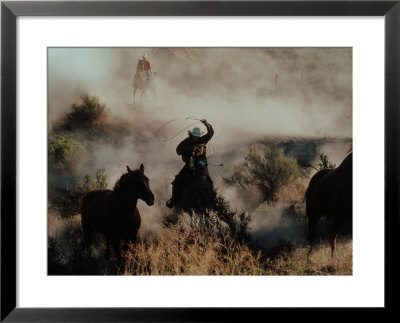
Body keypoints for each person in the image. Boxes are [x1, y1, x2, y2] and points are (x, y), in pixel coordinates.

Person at [166, 119, 214, 208]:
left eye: (197, 136)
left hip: (202, 163)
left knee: (208, 181)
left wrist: (206, 124)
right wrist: (189, 149)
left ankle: (212, 199)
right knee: (177, 182)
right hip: (190, 164)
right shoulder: (186, 141)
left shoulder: (202, 139)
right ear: (191, 135)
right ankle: (174, 200)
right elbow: (178, 150)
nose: (196, 137)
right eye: (194, 136)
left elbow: (211, 132)